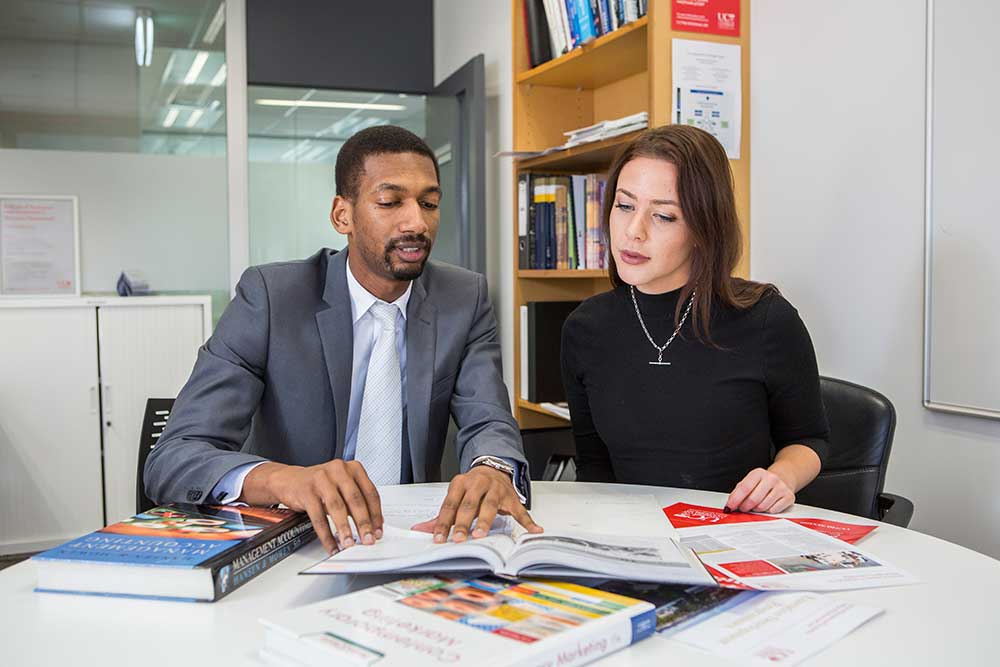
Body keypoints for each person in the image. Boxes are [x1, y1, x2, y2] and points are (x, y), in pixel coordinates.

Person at [145, 125, 542, 553]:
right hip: (296, 544)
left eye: (429, 203)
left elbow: (488, 420)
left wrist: (492, 468)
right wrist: (286, 479)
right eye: (390, 202)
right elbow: (176, 455)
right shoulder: (271, 298)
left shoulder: (464, 298)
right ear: (342, 215)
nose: (417, 222)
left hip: (415, 542)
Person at [560, 125, 830, 514]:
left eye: (664, 216)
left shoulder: (766, 318)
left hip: (731, 530)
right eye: (624, 205)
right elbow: (594, 465)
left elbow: (810, 439)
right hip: (631, 537)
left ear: (704, 229)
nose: (633, 232)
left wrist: (782, 476)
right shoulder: (585, 329)